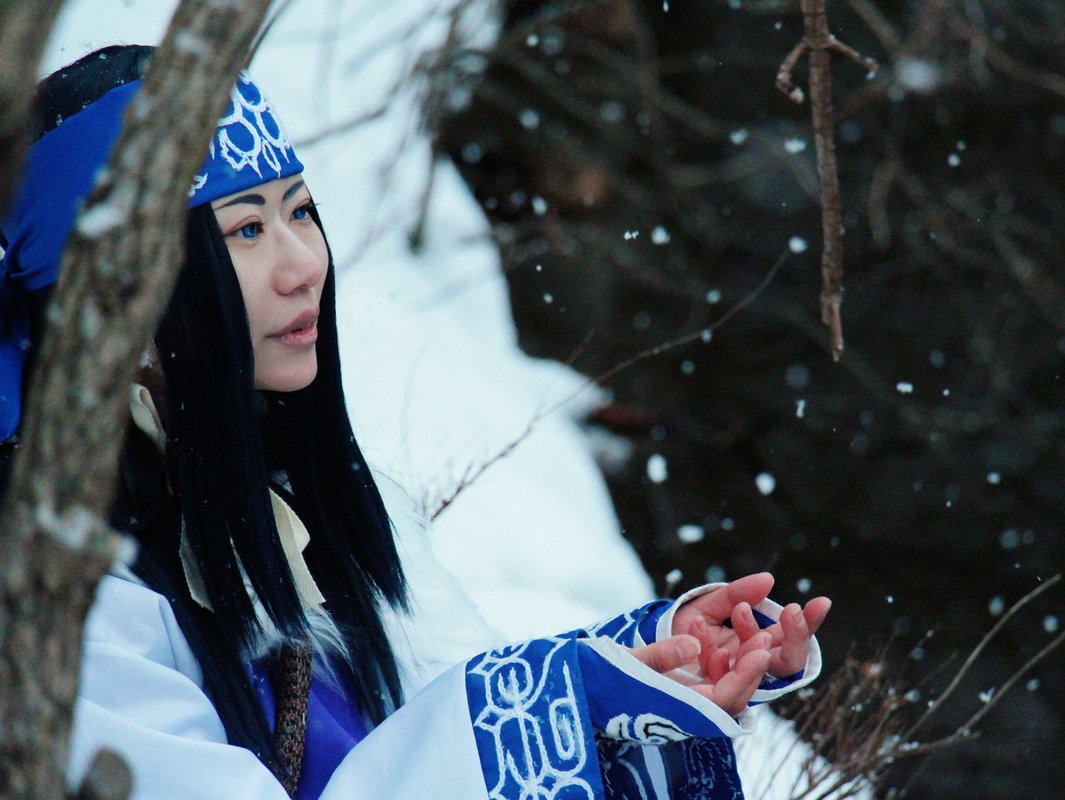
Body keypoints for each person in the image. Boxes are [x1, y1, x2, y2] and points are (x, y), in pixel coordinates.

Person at [0, 45, 831, 799]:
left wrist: (645, 669)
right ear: (115, 293)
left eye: (300, 211)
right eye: (246, 229)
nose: (305, 264)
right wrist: (568, 702)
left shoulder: (303, 504)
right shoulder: (54, 593)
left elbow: (441, 706)